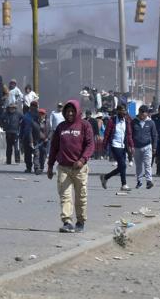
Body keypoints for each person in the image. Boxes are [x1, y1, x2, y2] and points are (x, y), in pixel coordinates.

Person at [47, 100, 95, 233]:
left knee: (81, 196)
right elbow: (54, 147)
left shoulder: (85, 126)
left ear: (78, 111)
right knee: (65, 196)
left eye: (72, 111)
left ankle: (80, 221)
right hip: (63, 168)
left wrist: (82, 160)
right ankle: (67, 221)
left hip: (79, 168)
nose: (70, 113)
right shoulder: (61, 127)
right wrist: (50, 165)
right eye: (67, 111)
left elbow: (90, 145)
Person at [100, 105, 134, 192]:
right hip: (115, 145)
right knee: (123, 165)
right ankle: (124, 184)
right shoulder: (113, 120)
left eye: (125, 110)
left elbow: (129, 134)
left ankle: (106, 177)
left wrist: (131, 145)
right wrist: (104, 145)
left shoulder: (127, 121)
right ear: (118, 111)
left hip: (123, 145)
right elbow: (107, 133)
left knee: (122, 166)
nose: (124, 112)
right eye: (122, 111)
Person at [132, 105, 157, 189]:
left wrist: (154, 147)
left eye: (144, 112)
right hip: (136, 147)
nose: (142, 114)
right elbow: (130, 135)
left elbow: (154, 135)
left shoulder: (151, 122)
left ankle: (149, 181)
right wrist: (130, 146)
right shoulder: (134, 122)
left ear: (147, 113)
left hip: (147, 146)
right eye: (141, 112)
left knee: (147, 164)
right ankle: (139, 181)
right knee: (138, 165)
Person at [20, 104, 40, 173]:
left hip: (36, 138)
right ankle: (28, 168)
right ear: (30, 107)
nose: (33, 107)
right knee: (27, 154)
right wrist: (21, 137)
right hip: (26, 137)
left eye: (35, 106)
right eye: (32, 106)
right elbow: (22, 128)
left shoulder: (39, 115)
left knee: (36, 153)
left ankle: (36, 168)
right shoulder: (25, 116)